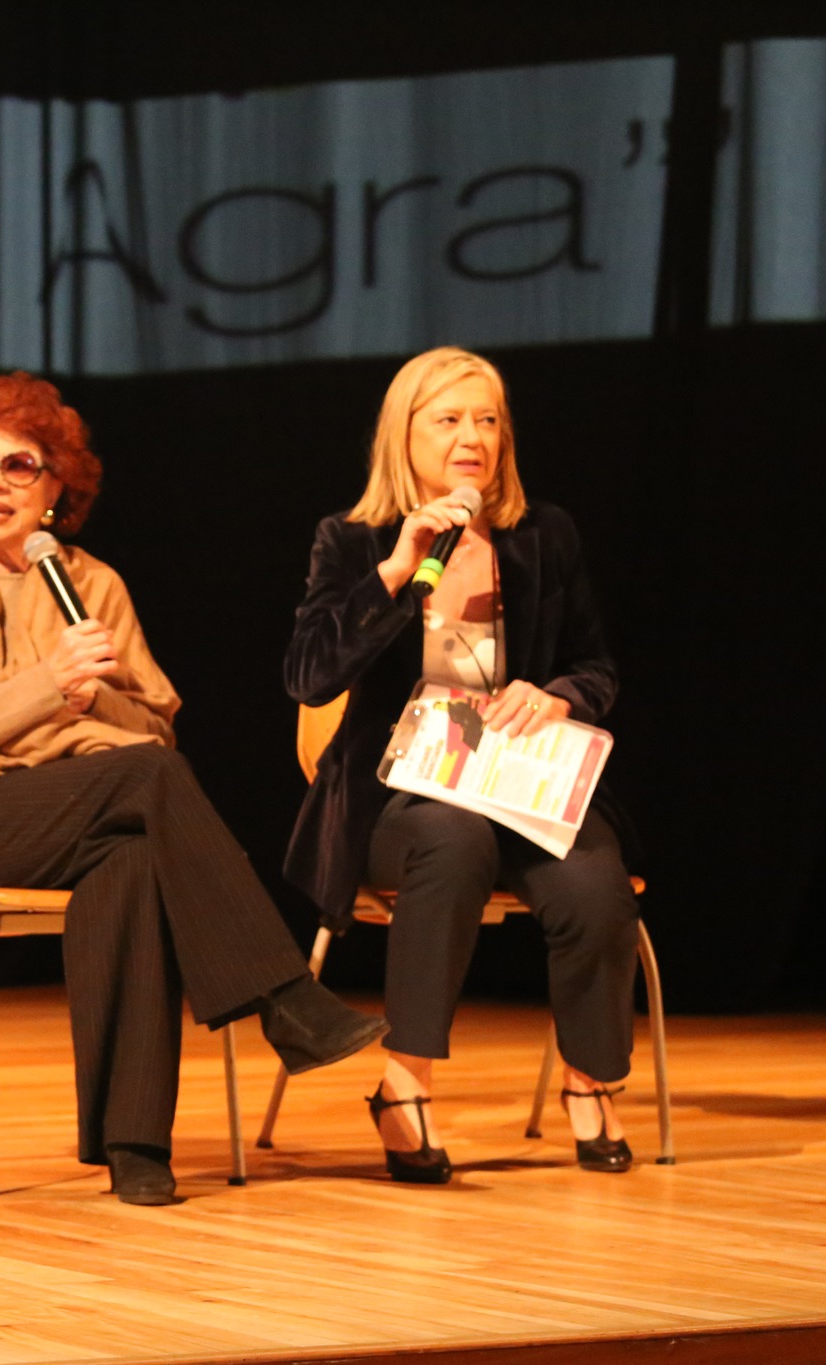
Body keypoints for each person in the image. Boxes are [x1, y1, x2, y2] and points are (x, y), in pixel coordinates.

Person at [0, 371, 387, 1206]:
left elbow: (153, 725)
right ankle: (286, 997)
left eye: (18, 465)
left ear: (55, 487)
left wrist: (84, 703)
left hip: (89, 801)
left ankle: (135, 1143)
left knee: (137, 859)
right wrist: (48, 688)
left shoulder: (94, 584)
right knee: (147, 782)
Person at [283, 346, 640, 1184]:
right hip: (398, 797)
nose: (471, 437)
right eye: (448, 419)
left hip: (518, 783)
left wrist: (557, 696)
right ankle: (404, 1084)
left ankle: (588, 1078)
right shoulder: (353, 539)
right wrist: (396, 569)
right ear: (403, 434)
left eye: (487, 419)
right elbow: (308, 675)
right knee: (452, 839)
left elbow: (597, 666)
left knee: (595, 877)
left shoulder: (543, 534)